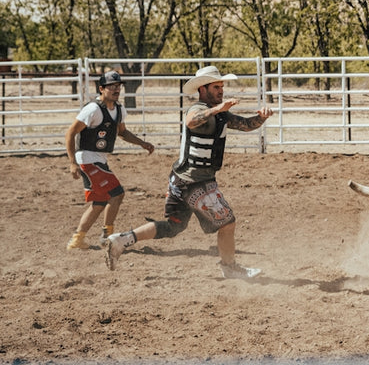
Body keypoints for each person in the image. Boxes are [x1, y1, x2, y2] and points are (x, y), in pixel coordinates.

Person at [103, 65, 273, 279]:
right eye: (216, 87)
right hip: (195, 180)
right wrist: (217, 110)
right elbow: (191, 121)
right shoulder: (198, 108)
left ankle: (122, 240)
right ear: (203, 89)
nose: (221, 91)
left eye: (221, 86)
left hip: (181, 179)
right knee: (227, 222)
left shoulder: (221, 114)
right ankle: (230, 268)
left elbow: (246, 125)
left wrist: (262, 117)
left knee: (174, 226)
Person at [64, 70, 155, 250]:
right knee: (117, 193)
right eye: (111, 86)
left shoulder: (119, 110)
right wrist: (72, 162)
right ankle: (107, 236)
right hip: (88, 159)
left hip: (99, 159)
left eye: (118, 86)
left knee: (99, 203)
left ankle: (77, 240)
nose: (116, 89)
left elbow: (122, 132)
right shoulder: (93, 109)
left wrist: (142, 143)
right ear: (101, 89)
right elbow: (71, 132)